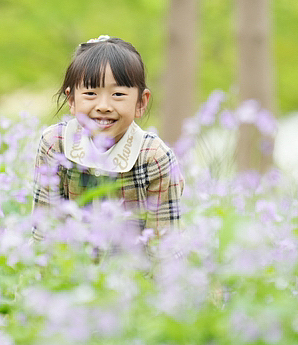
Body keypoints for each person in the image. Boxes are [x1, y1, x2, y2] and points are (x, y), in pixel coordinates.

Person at [32, 35, 184, 241]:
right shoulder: (55, 143)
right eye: (90, 93)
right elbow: (44, 229)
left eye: (118, 94)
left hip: (132, 269)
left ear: (141, 102)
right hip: (70, 268)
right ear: (72, 100)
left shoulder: (154, 157)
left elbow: (164, 244)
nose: (103, 106)